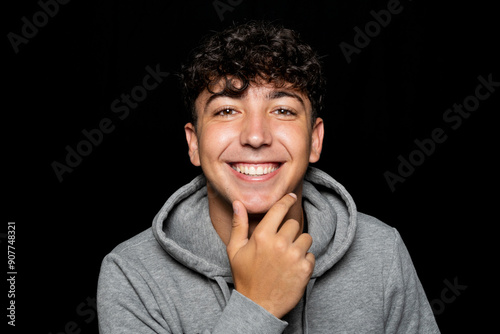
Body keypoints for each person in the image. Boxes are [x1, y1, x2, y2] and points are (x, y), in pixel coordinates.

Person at [97, 21, 440, 333]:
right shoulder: (132, 274)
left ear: (315, 141)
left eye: (283, 110)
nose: (256, 135)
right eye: (227, 110)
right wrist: (258, 306)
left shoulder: (381, 252)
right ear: (195, 144)